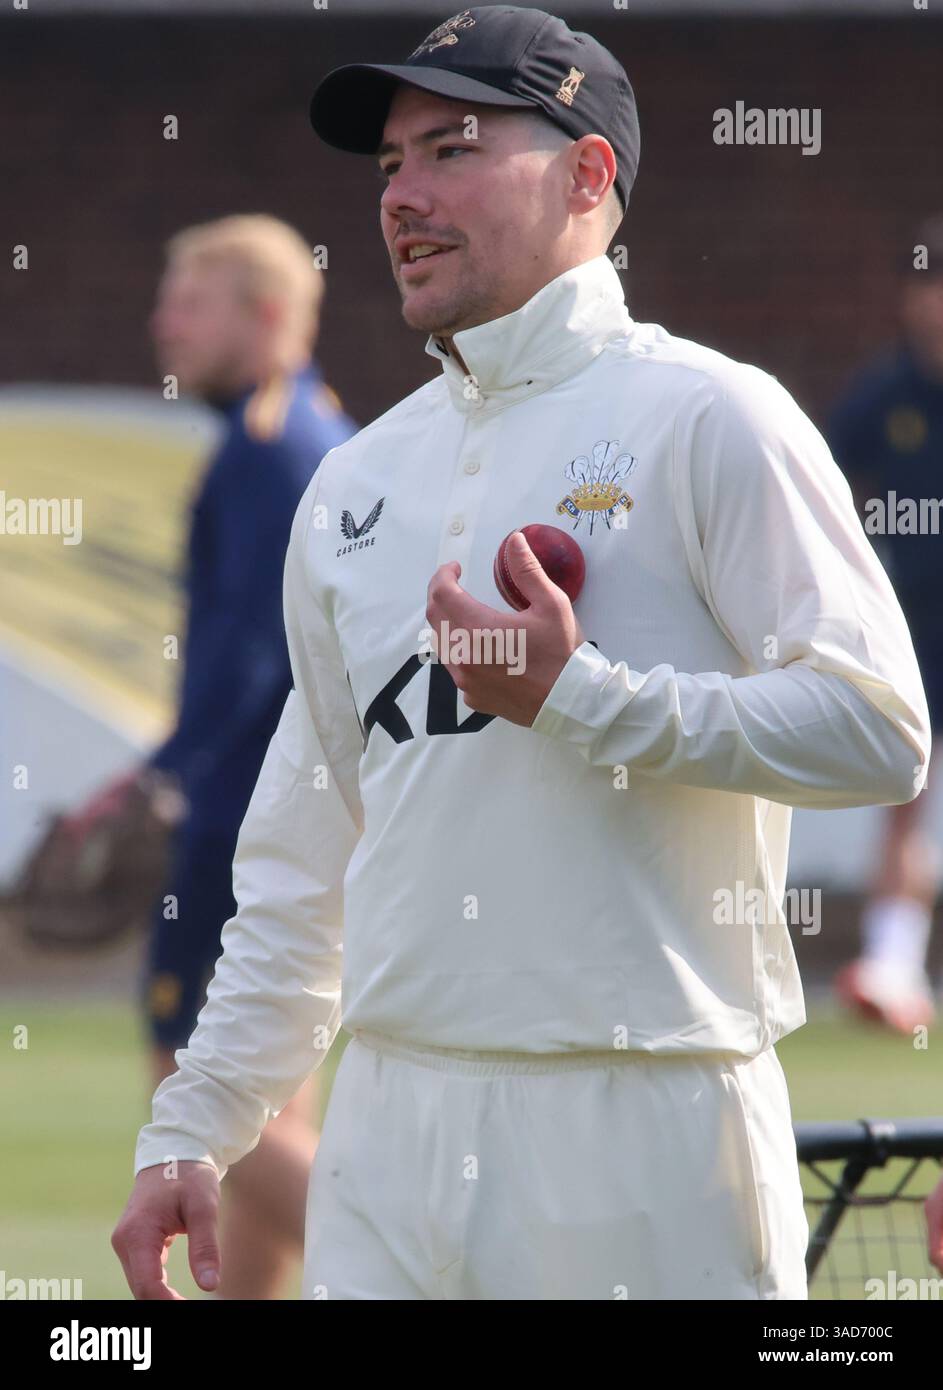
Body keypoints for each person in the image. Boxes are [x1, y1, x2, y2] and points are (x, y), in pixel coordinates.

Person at [113, 8, 929, 1301]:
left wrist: (584, 699)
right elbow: (296, 867)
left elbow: (877, 729)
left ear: (589, 177)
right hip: (387, 1129)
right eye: (389, 167)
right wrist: (193, 1124)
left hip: (646, 1126)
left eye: (450, 149)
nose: (404, 197)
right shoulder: (351, 484)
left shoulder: (710, 417)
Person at [117, 214, 356, 1298]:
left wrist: (157, 778)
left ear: (265, 315)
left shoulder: (270, 450)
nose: (164, 323)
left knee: (197, 1083)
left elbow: (250, 664)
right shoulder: (313, 430)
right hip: (300, 817)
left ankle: (429, 1274)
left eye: (191, 303)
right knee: (270, 1100)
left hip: (248, 825)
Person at [826, 219, 943, 1034]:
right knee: (908, 790)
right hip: (920, 625)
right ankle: (893, 969)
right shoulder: (885, 393)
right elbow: (823, 485)